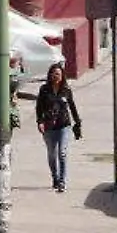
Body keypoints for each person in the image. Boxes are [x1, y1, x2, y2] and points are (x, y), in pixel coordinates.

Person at [33, 63, 81, 193]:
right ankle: (55, 177)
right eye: (53, 73)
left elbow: (72, 107)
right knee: (52, 154)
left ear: (62, 75)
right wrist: (40, 122)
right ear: (50, 75)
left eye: (58, 74)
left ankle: (62, 181)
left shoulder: (66, 90)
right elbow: (39, 108)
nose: (56, 76)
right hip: (49, 126)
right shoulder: (44, 90)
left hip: (64, 125)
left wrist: (77, 122)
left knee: (62, 153)